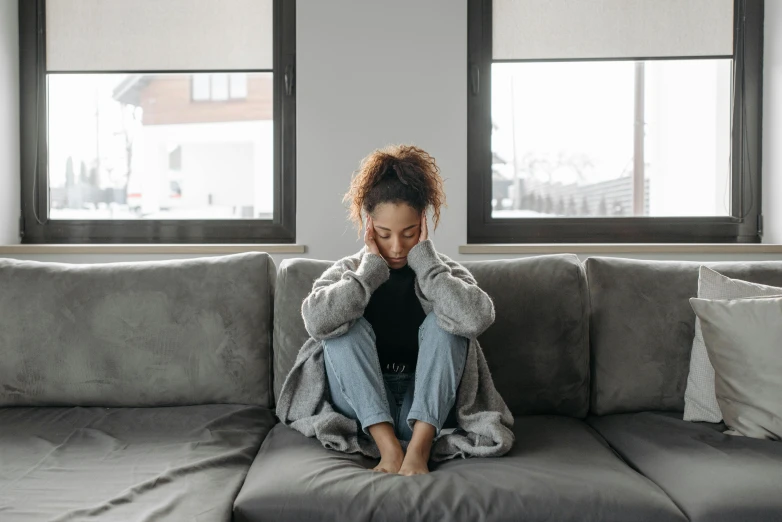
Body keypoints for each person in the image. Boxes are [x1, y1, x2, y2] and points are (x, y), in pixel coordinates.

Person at [276, 144, 514, 476]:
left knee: (446, 324)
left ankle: (417, 451)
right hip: (364, 409)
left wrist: (428, 266)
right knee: (343, 330)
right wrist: (366, 276)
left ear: (423, 226)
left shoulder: (441, 273)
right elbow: (316, 321)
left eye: (409, 233)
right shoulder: (350, 271)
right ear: (368, 226)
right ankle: (388, 450)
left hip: (429, 407)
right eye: (385, 235)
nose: (397, 247)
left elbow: (476, 317)